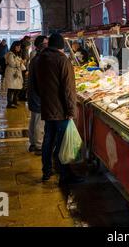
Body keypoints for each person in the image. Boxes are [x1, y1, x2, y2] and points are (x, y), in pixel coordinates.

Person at [34, 33, 83, 185]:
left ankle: (46, 171)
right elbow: (68, 89)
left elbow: (35, 84)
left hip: (47, 108)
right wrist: (71, 111)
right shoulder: (63, 60)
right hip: (61, 110)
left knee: (48, 141)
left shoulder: (40, 59)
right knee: (63, 144)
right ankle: (65, 175)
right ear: (61, 46)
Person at [27, 35, 48, 155]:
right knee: (40, 121)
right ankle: (39, 145)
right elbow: (42, 79)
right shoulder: (39, 59)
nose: (47, 45)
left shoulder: (36, 58)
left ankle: (33, 143)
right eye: (45, 43)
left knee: (34, 119)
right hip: (38, 96)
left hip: (34, 94)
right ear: (41, 46)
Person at [4, 41, 26, 109]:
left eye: (19, 47)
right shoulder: (10, 54)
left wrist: (22, 65)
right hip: (11, 73)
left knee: (17, 88)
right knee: (11, 88)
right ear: (14, 47)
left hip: (16, 73)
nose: (19, 48)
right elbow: (12, 63)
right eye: (17, 47)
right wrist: (20, 63)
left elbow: (20, 64)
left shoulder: (16, 54)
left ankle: (14, 101)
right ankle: (9, 103)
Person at [19, 36, 31, 101]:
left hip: (23, 68)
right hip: (23, 69)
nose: (29, 47)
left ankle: (21, 96)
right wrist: (26, 69)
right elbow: (25, 61)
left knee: (23, 82)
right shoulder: (25, 51)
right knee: (24, 82)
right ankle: (22, 96)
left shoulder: (23, 50)